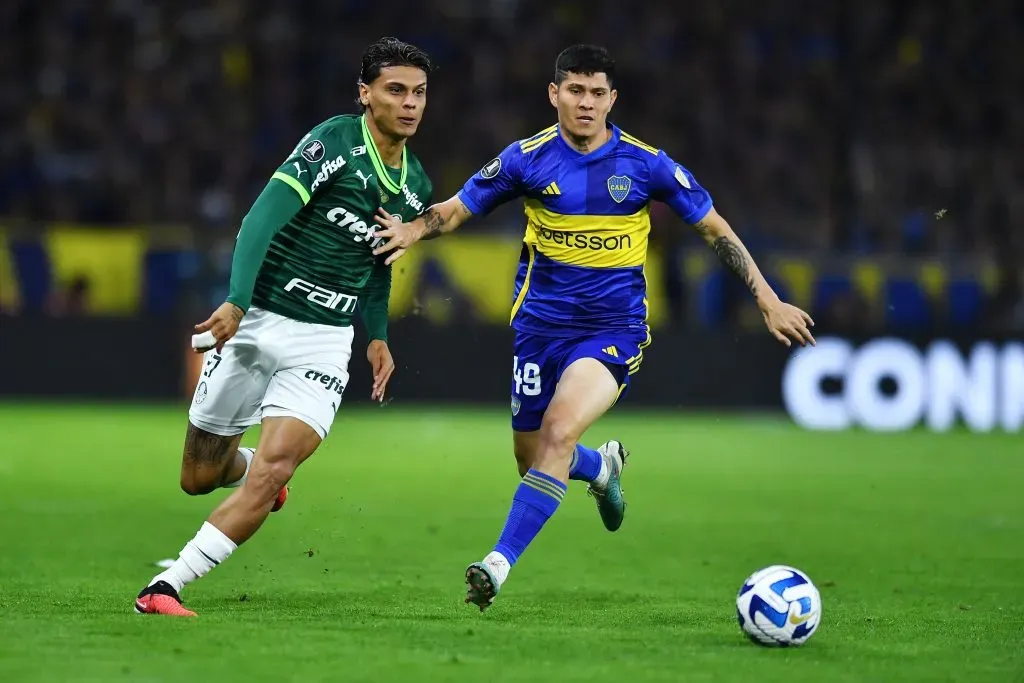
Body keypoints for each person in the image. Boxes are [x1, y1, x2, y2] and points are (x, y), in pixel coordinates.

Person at [371, 44, 815, 611]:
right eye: (574, 91)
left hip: (612, 328)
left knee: (558, 431)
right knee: (533, 457)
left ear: (612, 99)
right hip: (539, 328)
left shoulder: (645, 164)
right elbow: (459, 208)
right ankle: (600, 467)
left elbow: (713, 229)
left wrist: (768, 298)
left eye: (597, 93)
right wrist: (414, 228)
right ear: (554, 94)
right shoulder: (524, 159)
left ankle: (497, 564)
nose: (586, 103)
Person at [134, 37, 434, 616]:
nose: (410, 104)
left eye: (419, 93)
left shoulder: (415, 185)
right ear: (366, 94)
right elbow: (262, 216)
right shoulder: (333, 143)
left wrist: (377, 336)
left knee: (275, 469)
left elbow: (378, 266)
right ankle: (249, 470)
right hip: (259, 319)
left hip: (323, 342)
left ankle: (166, 585)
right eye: (396, 90)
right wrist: (237, 301)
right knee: (199, 475)